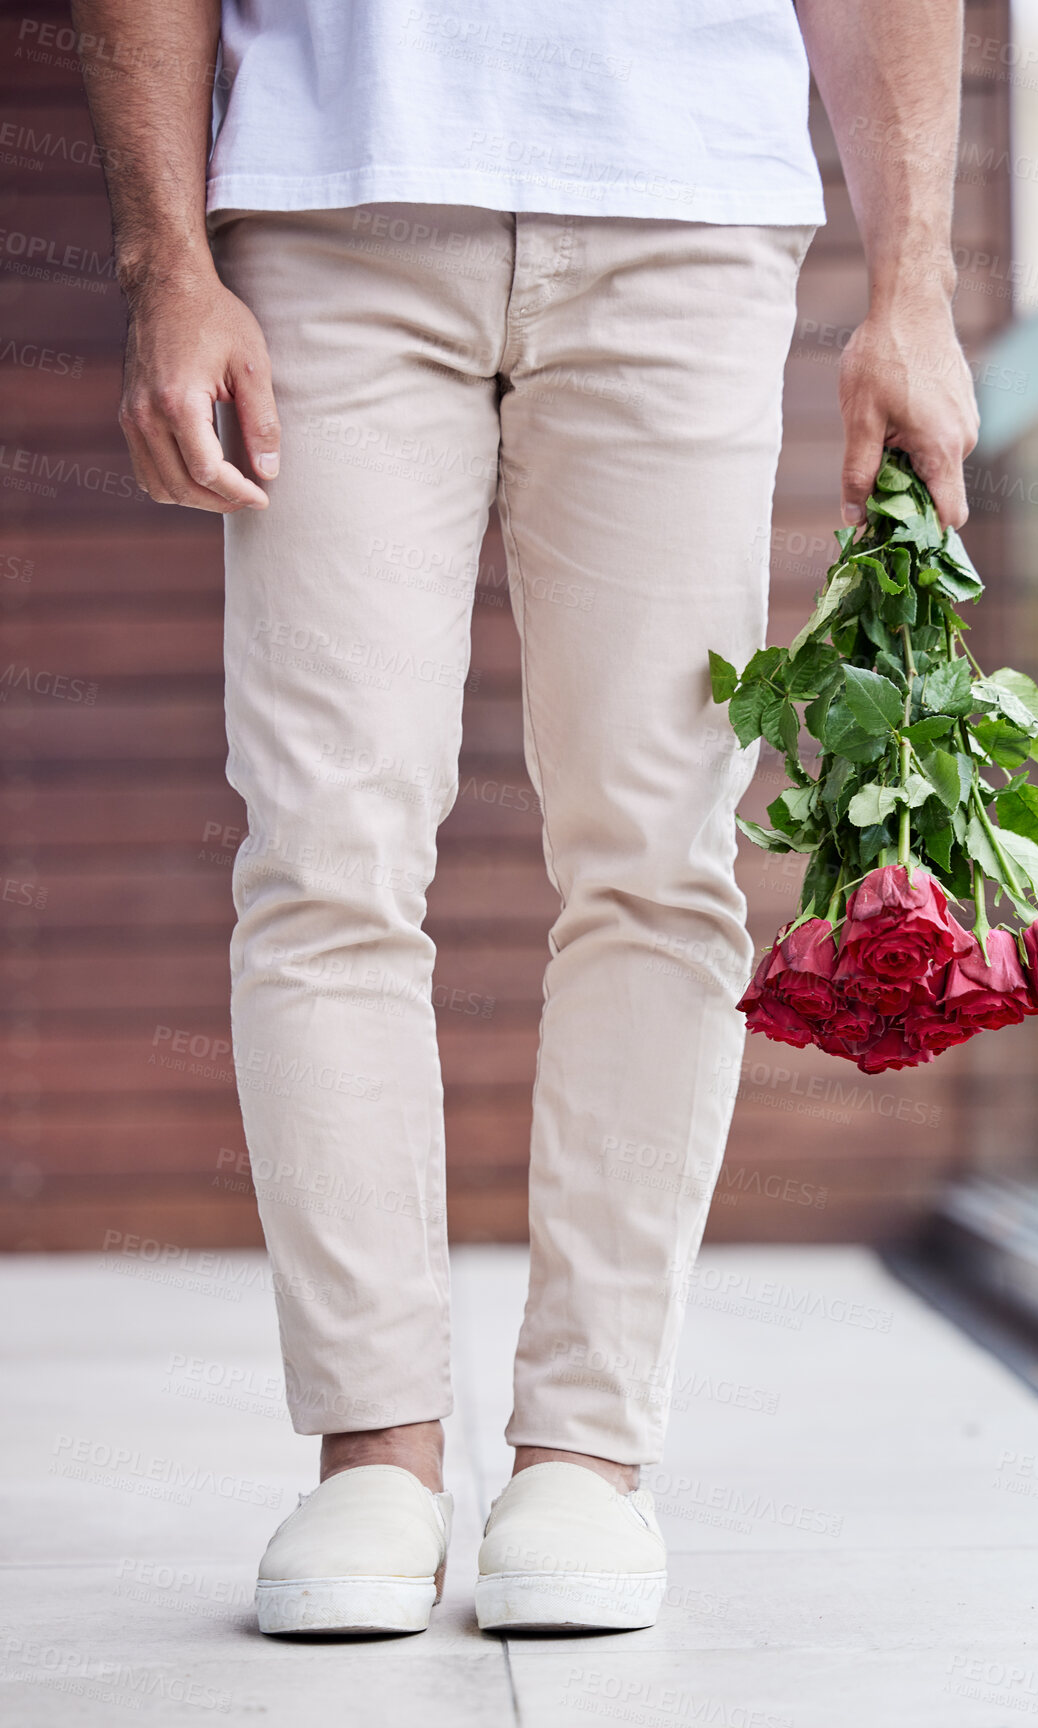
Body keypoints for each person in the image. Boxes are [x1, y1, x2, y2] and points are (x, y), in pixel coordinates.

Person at [74, 0, 979, 1636]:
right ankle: (373, 1458)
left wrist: (912, 279)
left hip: (688, 208)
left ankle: (584, 1455)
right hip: (327, 199)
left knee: (657, 854)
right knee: (323, 850)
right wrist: (164, 260)